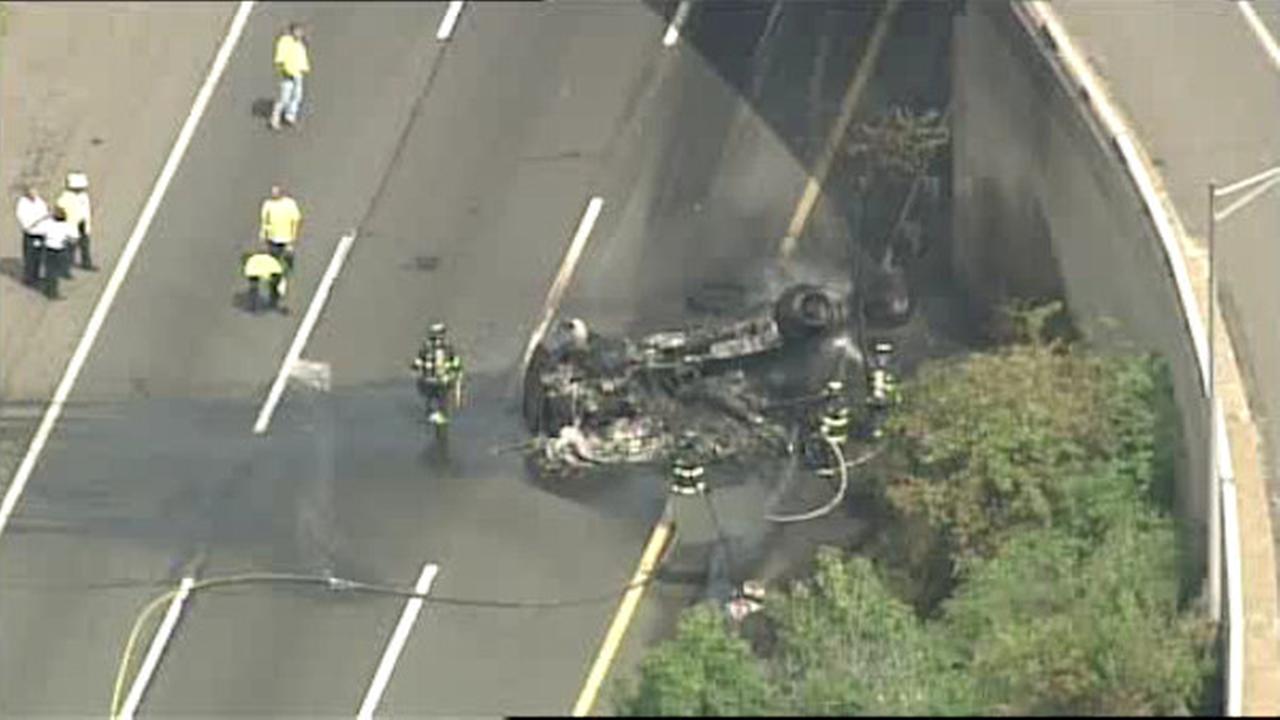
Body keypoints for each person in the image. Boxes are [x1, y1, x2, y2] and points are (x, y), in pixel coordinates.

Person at [412, 323, 464, 423]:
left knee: (442, 396)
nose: (438, 338)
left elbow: (454, 360)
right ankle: (431, 412)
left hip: (443, 379)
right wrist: (417, 365)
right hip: (429, 378)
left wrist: (455, 369)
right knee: (431, 396)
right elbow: (420, 360)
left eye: (440, 334)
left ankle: (441, 412)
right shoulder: (427, 348)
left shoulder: (448, 348)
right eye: (436, 334)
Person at [270, 24, 310, 131]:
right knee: (284, 98)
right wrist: (283, 70)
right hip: (288, 74)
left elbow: (301, 57)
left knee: (297, 96)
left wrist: (304, 69)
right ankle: (274, 119)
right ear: (292, 31)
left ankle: (290, 116)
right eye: (297, 31)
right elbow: (280, 57)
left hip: (298, 74)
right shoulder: (285, 42)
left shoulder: (300, 43)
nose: (300, 33)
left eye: (301, 31)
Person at [56, 172, 96, 271]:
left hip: (83, 224)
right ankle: (66, 266)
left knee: (85, 244)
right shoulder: (65, 197)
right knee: (70, 247)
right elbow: (60, 212)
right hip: (71, 225)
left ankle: (86, 263)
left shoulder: (83, 196)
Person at [260, 185, 301, 270]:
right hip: (272, 237)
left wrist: (293, 238)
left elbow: (296, 220)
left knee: (287, 258)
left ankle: (287, 270)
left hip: (286, 238)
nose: (274, 194)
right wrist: (263, 233)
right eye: (273, 193)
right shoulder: (268, 204)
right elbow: (264, 220)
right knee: (274, 259)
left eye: (276, 192)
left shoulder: (289, 203)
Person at [15, 185, 49, 286]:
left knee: (39, 256)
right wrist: (31, 224)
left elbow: (45, 214)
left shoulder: (40, 202)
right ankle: (29, 278)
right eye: (31, 192)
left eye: (35, 191)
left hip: (41, 233)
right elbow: (22, 217)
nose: (34, 194)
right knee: (30, 257)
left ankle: (36, 276)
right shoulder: (23, 203)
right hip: (31, 234)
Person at [39, 207, 76, 300]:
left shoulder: (48, 224)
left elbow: (40, 231)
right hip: (59, 250)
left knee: (49, 270)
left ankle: (48, 288)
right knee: (55, 272)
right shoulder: (66, 226)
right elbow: (73, 237)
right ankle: (53, 293)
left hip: (48, 248)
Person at [242, 247, 287, 313]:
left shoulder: (261, 259)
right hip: (254, 269)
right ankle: (257, 300)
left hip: (250, 268)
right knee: (271, 285)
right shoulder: (275, 267)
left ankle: (253, 298)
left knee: (254, 285)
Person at [669, 431, 706, 495]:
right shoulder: (697, 463)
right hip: (693, 493)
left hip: (682, 493)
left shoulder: (678, 462)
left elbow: (675, 481)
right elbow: (700, 481)